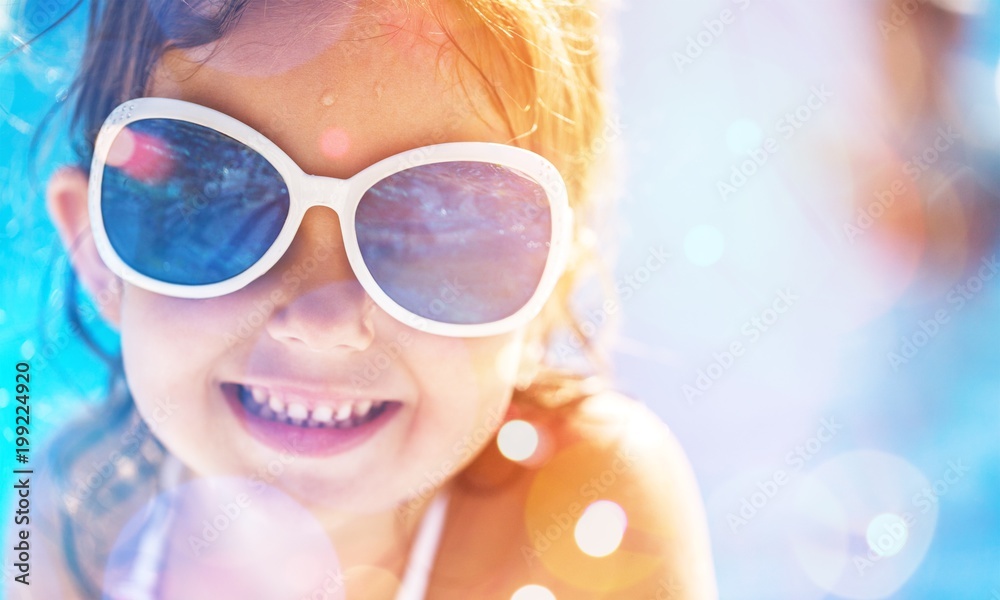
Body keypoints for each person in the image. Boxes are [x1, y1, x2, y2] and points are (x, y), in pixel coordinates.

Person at [7, 0, 716, 598]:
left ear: (550, 278)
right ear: (97, 258)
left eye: (444, 226)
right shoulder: (63, 527)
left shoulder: (583, 506)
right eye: (213, 203)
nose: (324, 320)